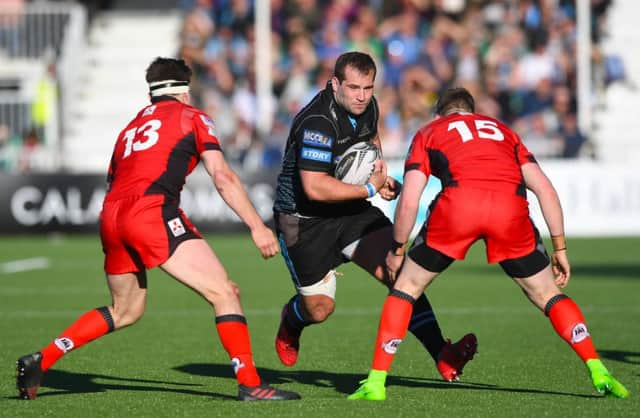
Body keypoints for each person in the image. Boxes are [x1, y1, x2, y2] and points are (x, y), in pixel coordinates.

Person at [15, 57, 300, 402]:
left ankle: (42, 359)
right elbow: (222, 176)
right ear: (184, 91)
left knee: (125, 310)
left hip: (112, 216)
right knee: (225, 292)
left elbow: (114, 179)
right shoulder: (192, 117)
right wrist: (257, 226)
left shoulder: (130, 129)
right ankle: (251, 384)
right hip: (150, 213)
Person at [348, 87, 629, 400]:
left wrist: (398, 249)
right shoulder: (504, 131)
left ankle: (376, 382)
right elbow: (545, 190)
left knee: (406, 288)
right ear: (473, 111)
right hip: (509, 210)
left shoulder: (430, 131)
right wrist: (560, 248)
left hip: (458, 208)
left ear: (440, 113)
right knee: (549, 294)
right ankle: (597, 368)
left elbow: (411, 197)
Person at [272, 51, 477, 382]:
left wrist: (380, 174)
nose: (361, 96)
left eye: (368, 88)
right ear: (334, 83)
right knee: (320, 309)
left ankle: (443, 353)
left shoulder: (367, 106)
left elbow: (370, 139)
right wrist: (369, 188)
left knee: (400, 274)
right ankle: (291, 321)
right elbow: (315, 188)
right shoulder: (317, 123)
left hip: (350, 212)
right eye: (353, 88)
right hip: (304, 221)